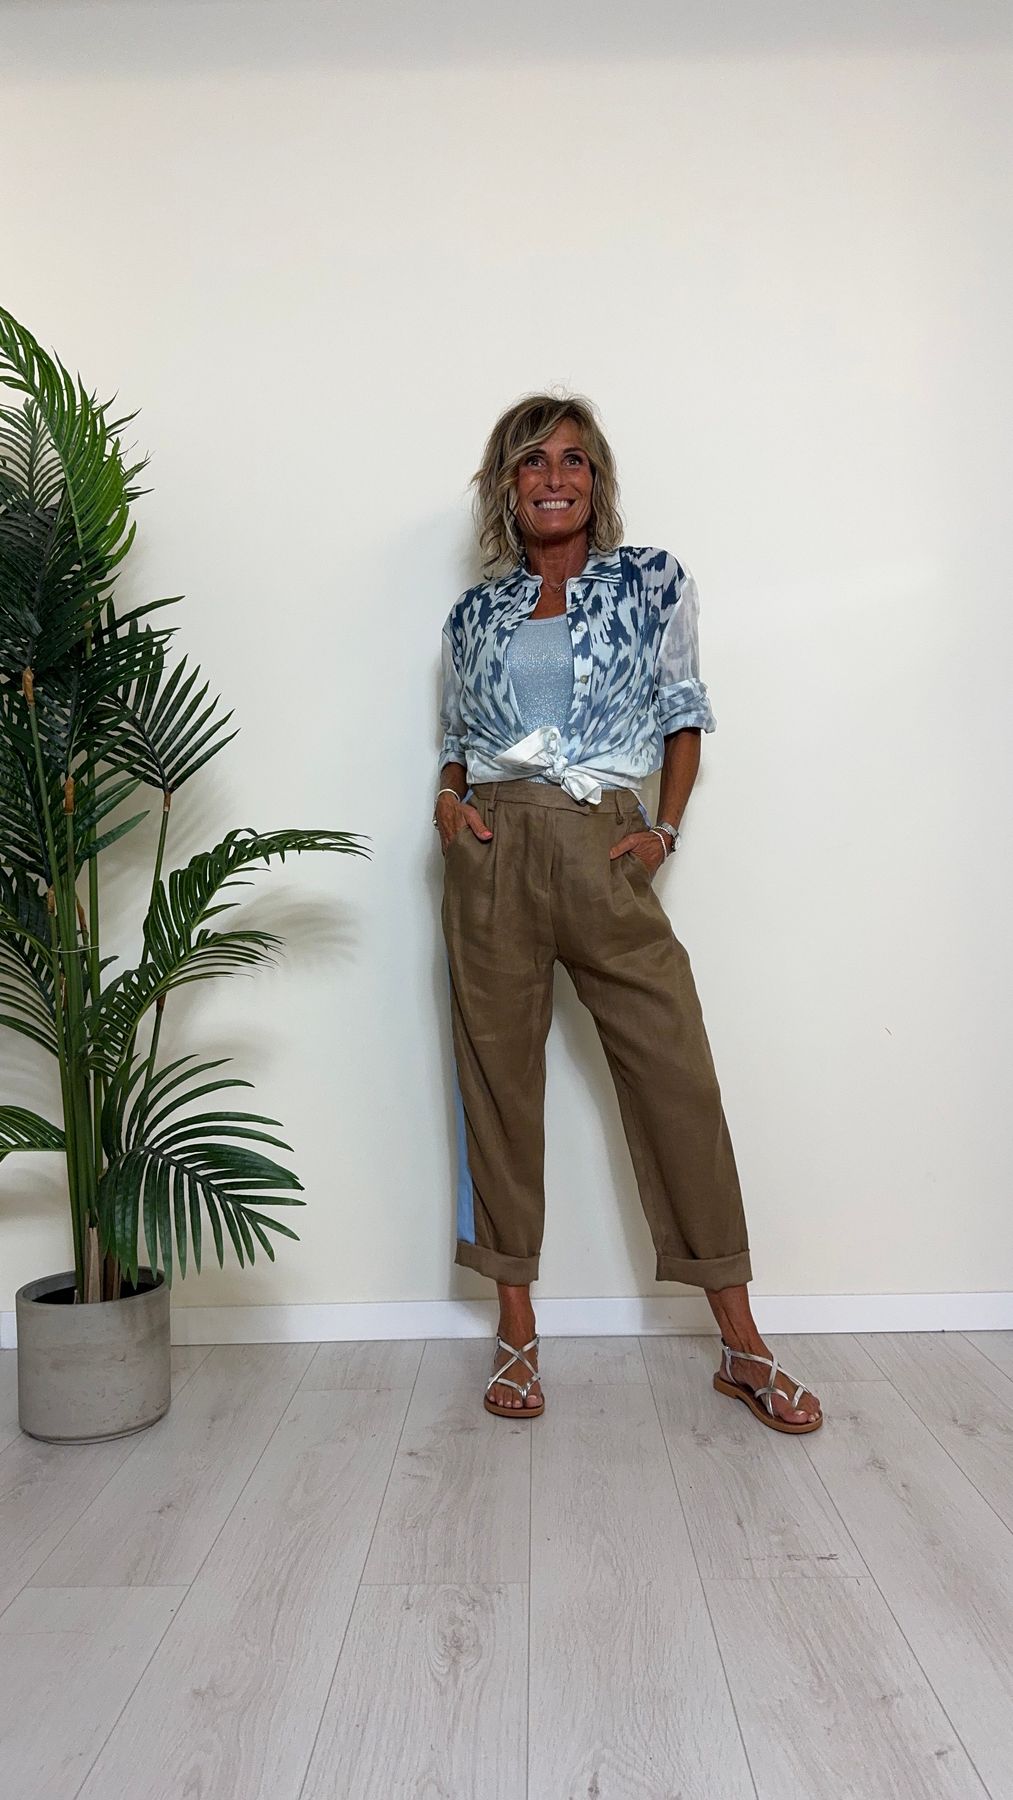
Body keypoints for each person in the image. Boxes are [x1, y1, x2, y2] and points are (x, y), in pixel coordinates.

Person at [435, 393, 822, 1434]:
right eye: (531, 462)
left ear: (595, 479)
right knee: (496, 1090)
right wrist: (446, 801)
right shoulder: (472, 614)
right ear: (505, 486)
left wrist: (662, 832)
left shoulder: (650, 579)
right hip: (491, 857)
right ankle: (515, 1330)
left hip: (604, 845)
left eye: (572, 459)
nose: (552, 477)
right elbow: (458, 737)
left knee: (675, 1081)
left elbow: (682, 711)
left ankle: (741, 1344)